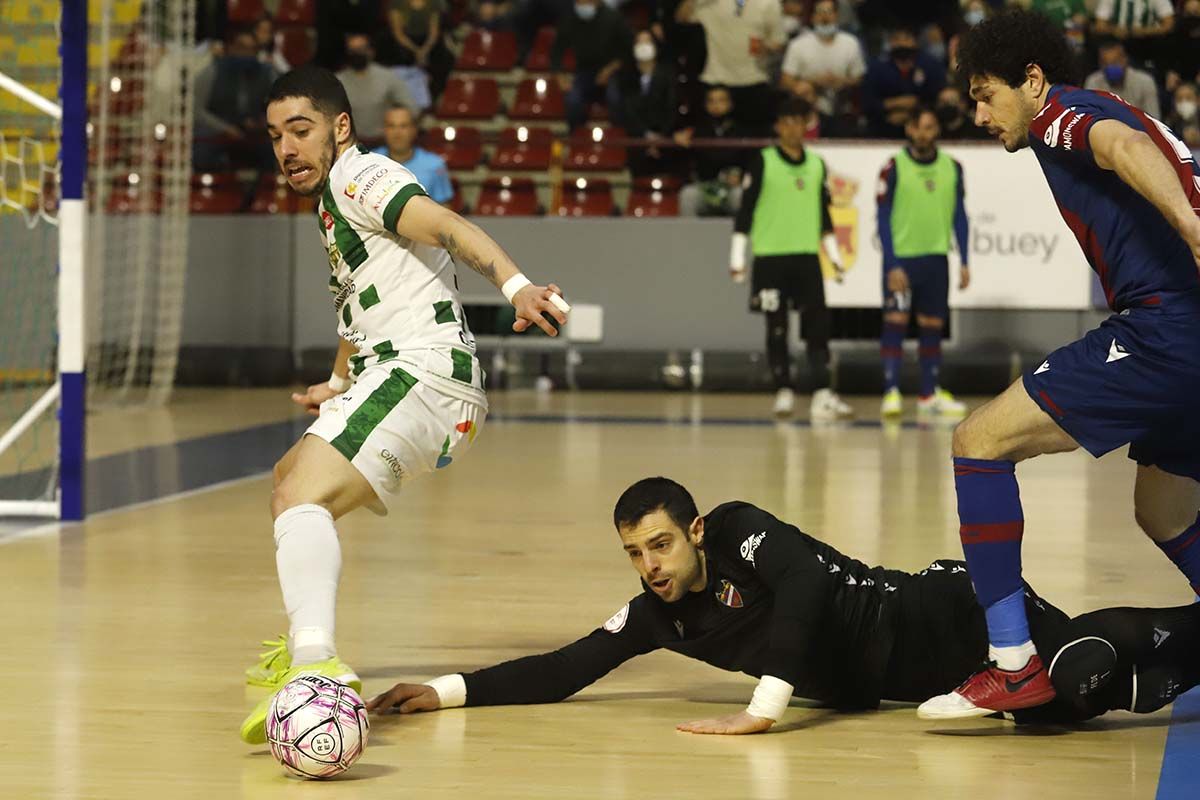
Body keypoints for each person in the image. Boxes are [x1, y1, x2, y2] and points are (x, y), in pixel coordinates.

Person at [238, 66, 570, 745]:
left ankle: (314, 667)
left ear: (339, 128)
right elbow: (357, 310)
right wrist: (336, 385)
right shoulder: (331, 200)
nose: (286, 149)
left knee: (301, 495)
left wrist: (516, 286)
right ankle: (305, 645)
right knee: (287, 486)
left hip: (424, 374)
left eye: (300, 131)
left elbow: (446, 224)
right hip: (390, 373)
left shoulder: (364, 178)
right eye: (275, 137)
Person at [367, 477, 1200, 732]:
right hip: (923, 680)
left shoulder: (738, 530)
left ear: (693, 530)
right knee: (1059, 712)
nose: (650, 566)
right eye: (634, 554)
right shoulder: (662, 614)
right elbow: (568, 666)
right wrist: (443, 690)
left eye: (659, 544)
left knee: (1069, 669)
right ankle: (1159, 680)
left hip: (940, 611)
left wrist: (765, 707)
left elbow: (803, 587)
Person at [917, 8, 1200, 720]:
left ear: (1032, 80)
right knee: (1163, 510)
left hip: (1167, 330)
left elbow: (1120, 149)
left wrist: (1196, 232)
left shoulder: (1065, 115)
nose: (979, 113)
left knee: (978, 443)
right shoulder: (1107, 102)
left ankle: (1012, 664)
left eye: (985, 94)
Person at [731, 97, 851, 421]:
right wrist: (737, 256)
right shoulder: (763, 161)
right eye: (787, 121)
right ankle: (783, 389)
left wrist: (835, 257)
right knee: (777, 326)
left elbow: (824, 216)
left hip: (806, 259)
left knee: (817, 327)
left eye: (799, 121)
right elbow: (746, 210)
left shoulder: (816, 165)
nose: (793, 128)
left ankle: (821, 393)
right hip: (771, 259)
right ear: (778, 126)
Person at [877, 107, 970, 419]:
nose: (924, 134)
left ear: (937, 131)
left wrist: (965, 259)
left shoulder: (952, 167)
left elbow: (960, 215)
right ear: (909, 130)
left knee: (932, 326)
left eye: (930, 127)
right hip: (902, 261)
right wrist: (892, 264)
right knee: (896, 323)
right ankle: (891, 392)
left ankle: (928, 393)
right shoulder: (893, 167)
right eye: (919, 127)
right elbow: (882, 218)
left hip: (936, 261)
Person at [674, 0, 787, 134]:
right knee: (710, 143)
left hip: (754, 81)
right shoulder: (709, 3)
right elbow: (682, 17)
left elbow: (779, 42)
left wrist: (766, 47)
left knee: (755, 141)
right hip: (716, 79)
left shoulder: (769, 4)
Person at [192, 27, 277, 170]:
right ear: (230, 48)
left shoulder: (266, 73)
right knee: (202, 150)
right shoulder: (212, 71)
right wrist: (225, 129)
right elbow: (196, 110)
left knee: (273, 149)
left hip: (252, 133)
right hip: (217, 130)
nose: (247, 54)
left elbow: (278, 106)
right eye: (242, 48)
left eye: (252, 49)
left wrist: (263, 122)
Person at [779, 0, 866, 124]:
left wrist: (842, 82)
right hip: (808, 113)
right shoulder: (798, 45)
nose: (825, 17)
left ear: (837, 15)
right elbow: (785, 81)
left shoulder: (851, 43)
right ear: (813, 17)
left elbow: (860, 78)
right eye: (820, 12)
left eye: (829, 12)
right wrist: (813, 82)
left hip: (842, 112)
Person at [552, 0, 632, 132]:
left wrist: (610, 69)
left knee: (616, 98)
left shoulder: (613, 17)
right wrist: (559, 74)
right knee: (572, 101)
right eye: (579, 3)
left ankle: (619, 138)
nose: (582, 5)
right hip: (584, 71)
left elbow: (628, 49)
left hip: (612, 72)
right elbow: (557, 50)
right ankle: (577, 137)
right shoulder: (570, 18)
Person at [677, 85, 750, 217]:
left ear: (730, 104)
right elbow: (690, 161)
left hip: (731, 189)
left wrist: (741, 176)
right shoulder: (698, 131)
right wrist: (678, 139)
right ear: (706, 105)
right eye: (711, 101)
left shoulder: (741, 131)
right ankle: (688, 237)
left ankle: (740, 237)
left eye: (721, 100)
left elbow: (750, 163)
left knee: (741, 195)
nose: (716, 105)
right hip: (706, 186)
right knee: (687, 195)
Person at [862, 28, 946, 139]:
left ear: (915, 41)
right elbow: (867, 102)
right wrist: (894, 104)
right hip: (883, 124)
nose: (901, 43)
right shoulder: (877, 67)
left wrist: (912, 114)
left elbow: (936, 97)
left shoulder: (930, 65)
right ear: (890, 42)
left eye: (906, 39)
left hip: (922, 123)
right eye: (897, 39)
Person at [618, 30, 679, 176]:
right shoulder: (626, 75)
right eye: (639, 42)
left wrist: (660, 136)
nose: (643, 46)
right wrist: (646, 135)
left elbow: (672, 106)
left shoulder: (668, 73)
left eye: (648, 41)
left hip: (665, 138)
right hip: (637, 138)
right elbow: (627, 109)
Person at [335, 33, 416, 142]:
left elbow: (411, 107)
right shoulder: (337, 81)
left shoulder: (388, 77)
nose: (357, 54)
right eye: (352, 50)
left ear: (370, 51)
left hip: (385, 143)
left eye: (360, 49)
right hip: (350, 144)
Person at [372, 105, 455, 205]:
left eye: (403, 126)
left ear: (414, 130)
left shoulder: (435, 165)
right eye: (391, 126)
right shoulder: (370, 162)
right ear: (384, 130)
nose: (397, 133)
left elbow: (445, 208)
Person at [384, 0, 455, 101]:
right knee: (399, 58)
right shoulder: (397, 3)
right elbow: (398, 33)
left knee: (446, 59)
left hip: (428, 42)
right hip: (406, 42)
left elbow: (433, 32)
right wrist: (416, 50)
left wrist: (424, 50)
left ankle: (433, 97)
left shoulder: (433, 3)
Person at [1082, 40, 1160, 119]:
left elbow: (1154, 120)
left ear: (1125, 59)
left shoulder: (1145, 82)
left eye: (1115, 62)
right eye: (1106, 64)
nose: (1110, 67)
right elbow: (1089, 120)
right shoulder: (1093, 83)